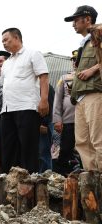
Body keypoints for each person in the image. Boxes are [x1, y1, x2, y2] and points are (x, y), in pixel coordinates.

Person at [0, 28, 49, 173]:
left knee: (28, 148)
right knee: (8, 148)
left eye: (6, 40)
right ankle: (10, 182)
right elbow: (5, 85)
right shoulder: (7, 63)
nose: (4, 43)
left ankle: (31, 184)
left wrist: (44, 100)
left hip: (26, 107)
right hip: (7, 110)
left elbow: (44, 77)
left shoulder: (33, 54)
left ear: (16, 37)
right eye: (2, 41)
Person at [64, 5, 102, 172]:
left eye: (76, 20)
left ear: (88, 19)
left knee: (98, 139)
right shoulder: (84, 43)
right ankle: (92, 180)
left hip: (95, 94)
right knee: (82, 142)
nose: (73, 24)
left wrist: (93, 69)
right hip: (81, 98)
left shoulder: (99, 34)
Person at [52, 50, 78, 176]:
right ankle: (61, 178)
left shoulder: (92, 74)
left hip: (87, 120)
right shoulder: (64, 78)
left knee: (86, 150)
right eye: (73, 60)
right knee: (66, 149)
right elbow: (57, 100)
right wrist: (57, 119)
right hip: (68, 121)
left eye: (77, 59)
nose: (75, 62)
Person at [39, 84, 55, 172]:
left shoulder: (47, 88)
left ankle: (45, 178)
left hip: (44, 124)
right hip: (36, 125)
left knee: (43, 154)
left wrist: (44, 123)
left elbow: (51, 106)